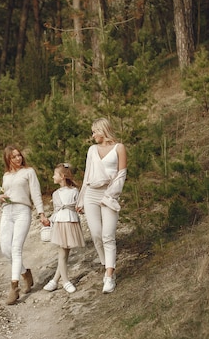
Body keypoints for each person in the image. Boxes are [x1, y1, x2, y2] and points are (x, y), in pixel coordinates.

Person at [77, 118, 127, 293]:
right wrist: (81, 199)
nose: (92, 136)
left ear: (103, 131)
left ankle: (109, 275)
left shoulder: (119, 148)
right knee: (97, 234)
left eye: (94, 132)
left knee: (108, 235)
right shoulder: (92, 150)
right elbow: (87, 175)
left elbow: (121, 175)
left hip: (109, 194)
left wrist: (111, 194)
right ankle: (108, 264)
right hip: (91, 194)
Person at [0, 145, 50, 305]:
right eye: (13, 157)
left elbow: (35, 193)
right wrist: (1, 197)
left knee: (16, 248)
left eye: (19, 155)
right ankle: (25, 273)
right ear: (8, 159)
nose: (18, 158)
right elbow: (7, 192)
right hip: (7, 211)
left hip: (22, 211)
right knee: (5, 249)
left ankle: (14, 287)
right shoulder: (6, 175)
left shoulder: (29, 172)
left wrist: (41, 213)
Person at [42, 163, 86, 294]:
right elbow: (57, 211)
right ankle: (65, 281)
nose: (52, 176)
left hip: (70, 222)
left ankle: (55, 280)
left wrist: (82, 209)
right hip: (60, 223)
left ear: (62, 177)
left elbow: (79, 207)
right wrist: (49, 220)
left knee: (65, 254)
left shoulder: (74, 191)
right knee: (62, 254)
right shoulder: (56, 194)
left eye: (55, 174)